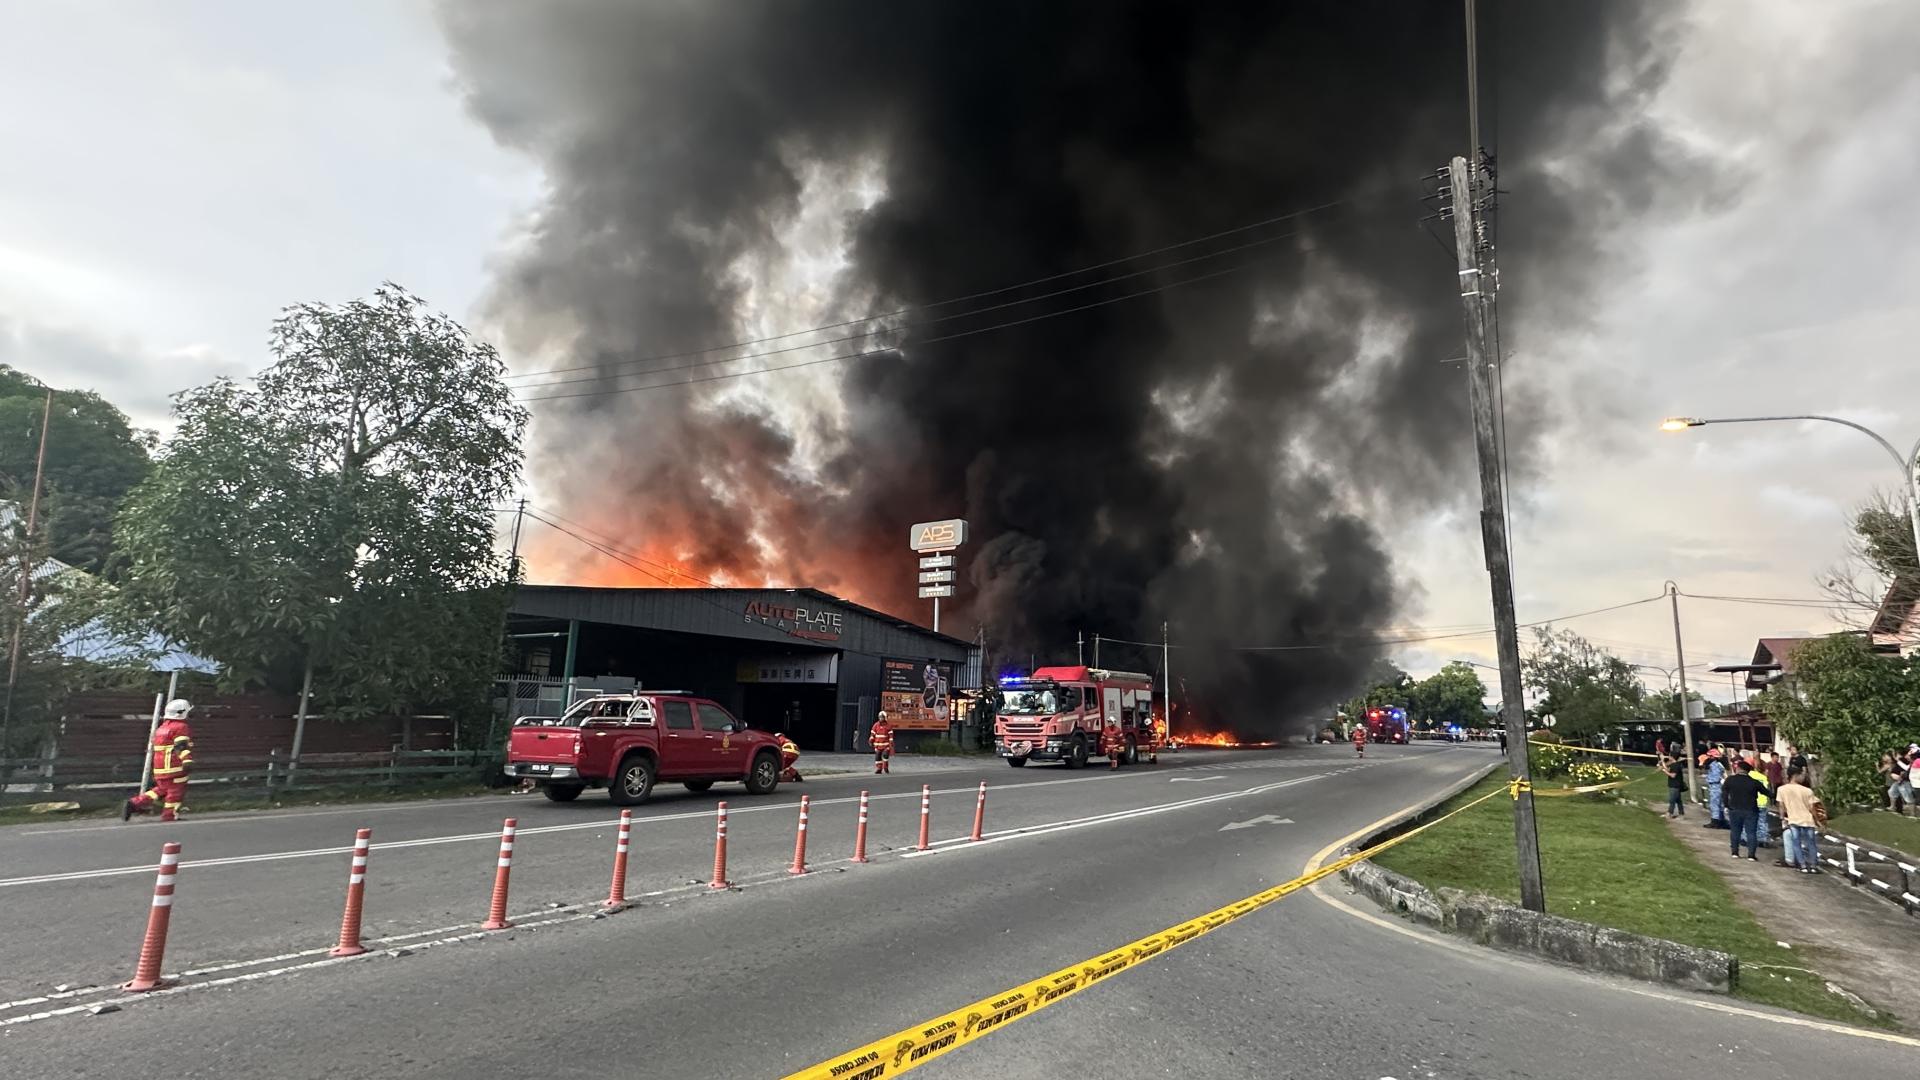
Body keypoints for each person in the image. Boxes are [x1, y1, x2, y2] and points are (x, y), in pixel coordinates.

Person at [125, 699, 196, 823]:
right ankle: (169, 815)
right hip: (174, 767)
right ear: (181, 713)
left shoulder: (161, 728)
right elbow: (181, 746)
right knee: (175, 791)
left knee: (161, 789)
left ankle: (135, 803)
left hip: (160, 768)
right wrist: (186, 760)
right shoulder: (181, 727)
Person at [1775, 766, 1824, 874]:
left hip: (1794, 820)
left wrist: (1782, 818)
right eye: (1802, 775)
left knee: (1796, 843)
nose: (1803, 777)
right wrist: (1818, 821)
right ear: (1796, 775)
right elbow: (1812, 808)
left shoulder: (1781, 789)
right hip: (1808, 820)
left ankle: (1802, 866)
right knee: (1811, 844)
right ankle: (1814, 865)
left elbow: (1781, 806)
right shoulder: (1807, 791)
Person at [1721, 759, 1765, 861]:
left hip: (1734, 809)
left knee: (1735, 831)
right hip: (1751, 810)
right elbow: (1766, 792)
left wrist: (1726, 805)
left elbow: (1724, 794)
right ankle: (1751, 855)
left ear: (1738, 769)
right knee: (1751, 832)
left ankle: (1735, 852)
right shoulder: (1754, 782)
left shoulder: (1730, 780)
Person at [1747, 755, 1773, 848]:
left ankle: (1750, 839)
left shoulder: (1750, 775)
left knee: (1750, 822)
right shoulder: (1764, 778)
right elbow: (1767, 790)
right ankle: (1762, 840)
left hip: (1752, 802)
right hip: (1762, 802)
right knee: (1762, 821)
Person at [1703, 749, 1727, 829]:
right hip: (1718, 786)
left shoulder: (1714, 765)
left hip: (1715, 786)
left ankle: (1715, 821)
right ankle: (1721, 820)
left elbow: (1715, 777)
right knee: (1720, 804)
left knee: (1714, 804)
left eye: (1709, 756)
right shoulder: (1719, 764)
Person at [868, 711, 895, 775]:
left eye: (882, 717)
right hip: (877, 745)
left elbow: (891, 735)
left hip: (886, 745)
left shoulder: (888, 726)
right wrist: (870, 741)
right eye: (880, 717)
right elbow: (872, 734)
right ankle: (879, 769)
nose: (881, 718)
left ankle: (885, 767)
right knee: (878, 757)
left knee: (885, 756)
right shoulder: (875, 725)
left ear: (885, 718)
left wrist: (891, 742)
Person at [1664, 754, 1686, 818]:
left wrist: (1665, 772)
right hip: (1676, 785)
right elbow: (1668, 769)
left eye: (1670, 756)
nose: (1668, 757)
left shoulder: (1675, 765)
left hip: (1674, 785)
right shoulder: (1675, 764)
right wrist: (1662, 762)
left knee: (1672, 800)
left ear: (1672, 757)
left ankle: (1670, 813)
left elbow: (1673, 775)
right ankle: (1681, 813)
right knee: (1678, 800)